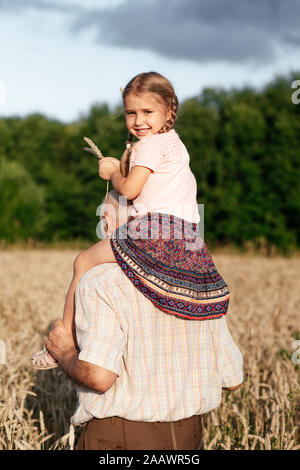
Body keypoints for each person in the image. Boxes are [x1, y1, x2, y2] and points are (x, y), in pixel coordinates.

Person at [31, 71, 230, 372]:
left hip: (153, 231)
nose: (139, 121)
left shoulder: (148, 146)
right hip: (186, 234)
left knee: (83, 262)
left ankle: (65, 338)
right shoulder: (174, 144)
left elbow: (130, 189)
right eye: (131, 113)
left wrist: (112, 173)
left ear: (169, 110)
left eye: (148, 112)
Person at [45, 257, 243, 450]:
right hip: (187, 437)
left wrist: (64, 353)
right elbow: (233, 380)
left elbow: (99, 376)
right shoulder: (200, 280)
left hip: (120, 437)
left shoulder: (102, 280)